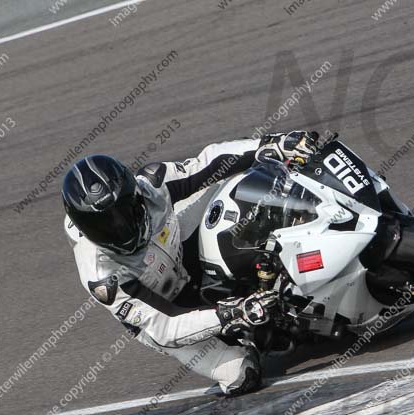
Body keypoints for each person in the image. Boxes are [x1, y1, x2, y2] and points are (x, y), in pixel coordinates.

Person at [61, 131, 317, 395]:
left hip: (178, 251)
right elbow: (165, 326)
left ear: (135, 195)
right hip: (169, 309)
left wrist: (270, 145)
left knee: (239, 186)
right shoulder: (102, 275)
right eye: (103, 226)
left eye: (124, 213)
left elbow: (207, 163)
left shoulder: (150, 186)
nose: (119, 228)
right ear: (83, 228)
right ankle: (248, 328)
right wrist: (231, 314)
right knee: (241, 374)